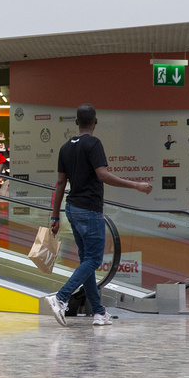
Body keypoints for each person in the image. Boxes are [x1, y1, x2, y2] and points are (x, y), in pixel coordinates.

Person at [44, 104, 153, 328]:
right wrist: (136, 185)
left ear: (76, 122)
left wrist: (55, 216)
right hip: (90, 210)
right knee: (93, 260)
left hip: (71, 209)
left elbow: (61, 184)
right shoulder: (94, 143)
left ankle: (99, 312)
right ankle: (60, 297)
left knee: (87, 261)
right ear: (95, 122)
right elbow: (102, 175)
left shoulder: (65, 147)